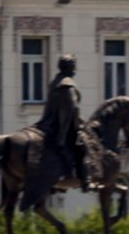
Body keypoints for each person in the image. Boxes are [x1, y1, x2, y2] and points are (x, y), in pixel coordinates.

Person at [34, 54, 97, 193]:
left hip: (48, 124)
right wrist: (79, 126)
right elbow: (71, 110)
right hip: (63, 128)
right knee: (84, 147)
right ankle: (86, 182)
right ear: (69, 68)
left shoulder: (55, 83)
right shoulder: (68, 85)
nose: (75, 70)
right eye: (73, 67)